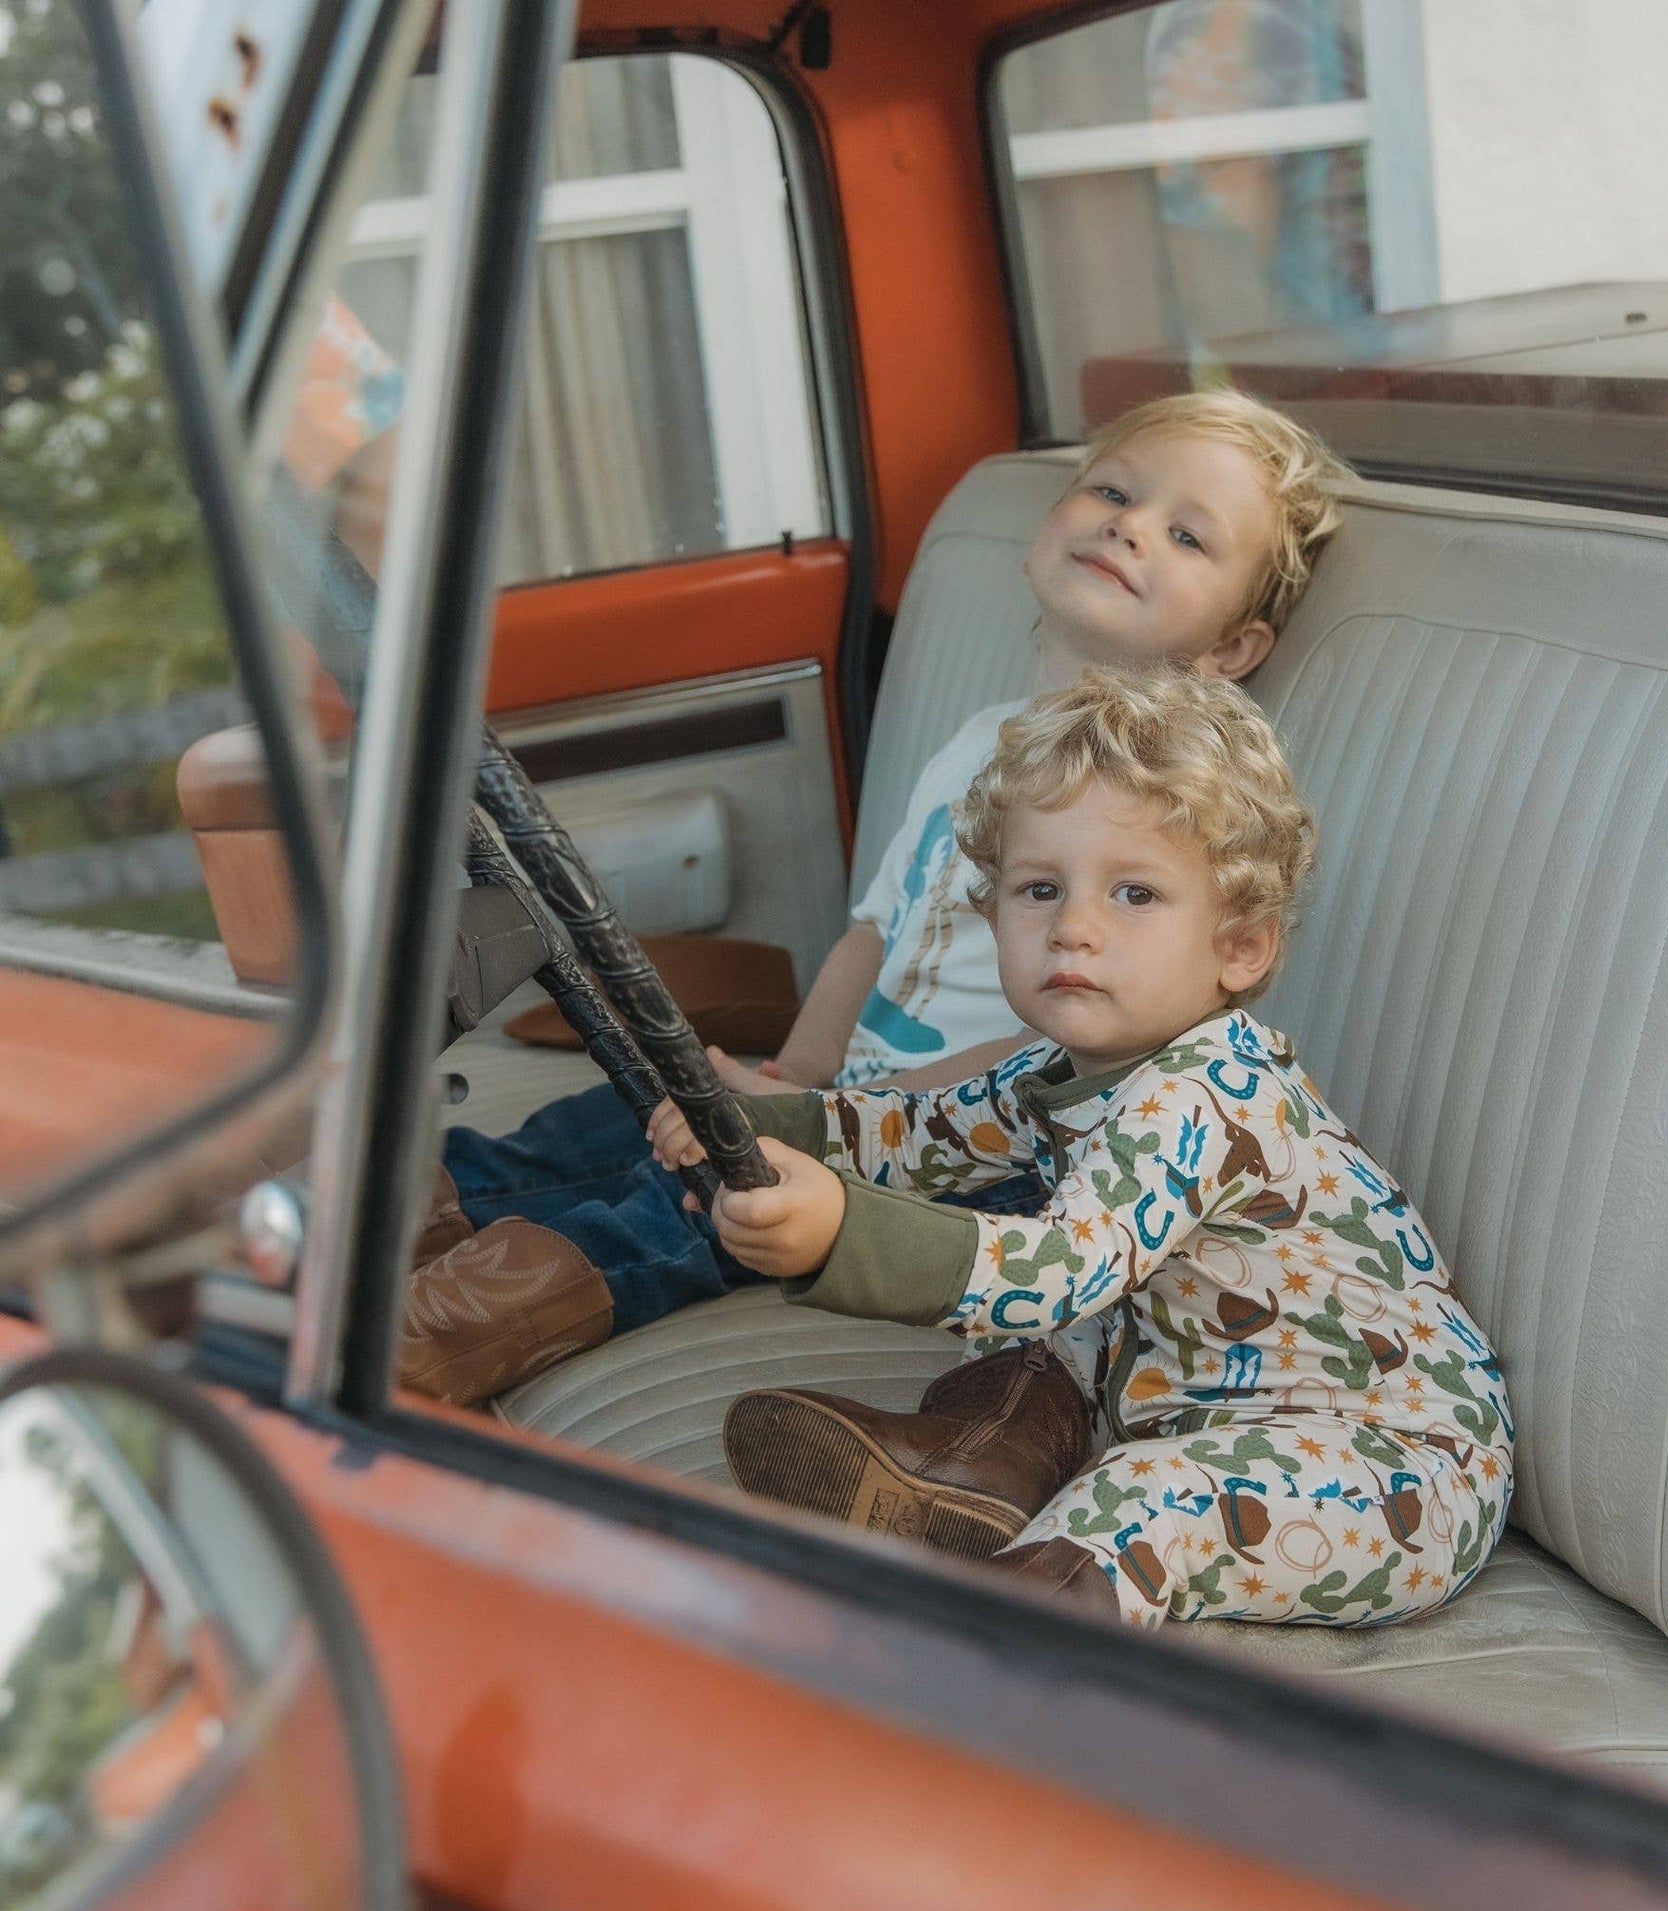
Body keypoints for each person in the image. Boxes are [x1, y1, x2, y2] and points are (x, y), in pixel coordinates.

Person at [401, 389, 1351, 1407]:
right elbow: (874, 928)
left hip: (987, 1149)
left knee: (699, 1197)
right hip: (855, 1100)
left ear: (1228, 651)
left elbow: (1077, 1059)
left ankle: (433, 1336)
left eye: (1184, 534)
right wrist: (793, 1072)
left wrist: (847, 1112)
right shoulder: (978, 741)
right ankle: (395, 1213)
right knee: (628, 1115)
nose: (1128, 523)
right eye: (1112, 490)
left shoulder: (1159, 816)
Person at [656, 667, 1514, 1630]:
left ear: (1241, 948)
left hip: (1393, 1467)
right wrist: (752, 1128)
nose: (1074, 926)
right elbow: (916, 1131)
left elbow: (1064, 1264)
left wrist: (839, 1233)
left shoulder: (1204, 1095)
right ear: (992, 919)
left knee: (1154, 1493)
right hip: (1191, 1404)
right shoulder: (1056, 1067)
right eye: (1039, 889)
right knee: (1032, 1337)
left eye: (1135, 893)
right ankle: (969, 1474)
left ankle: (989, 1662)